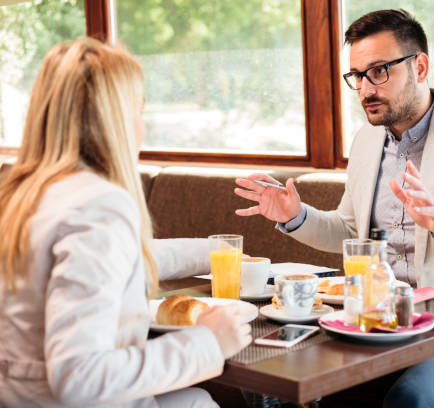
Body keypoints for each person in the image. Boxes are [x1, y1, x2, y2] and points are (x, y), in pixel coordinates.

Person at [234, 9, 434, 408]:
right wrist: (294, 215)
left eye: (379, 71)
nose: (365, 89)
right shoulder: (367, 140)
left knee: (413, 400)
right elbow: (350, 234)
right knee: (266, 374)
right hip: (372, 324)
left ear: (420, 66)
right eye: (357, 76)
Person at [0, 38, 251, 407]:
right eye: (138, 111)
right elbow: (79, 378)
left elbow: (119, 257)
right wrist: (208, 343)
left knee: (194, 399)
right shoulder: (98, 205)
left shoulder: (22, 195)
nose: (141, 129)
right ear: (115, 119)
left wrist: (214, 251)